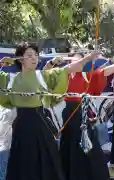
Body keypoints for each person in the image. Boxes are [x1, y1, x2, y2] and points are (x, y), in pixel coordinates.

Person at [0, 42, 99, 180]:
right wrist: (2, 64)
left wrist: (88, 58)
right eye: (29, 55)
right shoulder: (10, 79)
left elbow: (68, 69)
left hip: (40, 124)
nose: (34, 58)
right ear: (20, 58)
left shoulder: (42, 76)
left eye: (36, 55)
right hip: (21, 126)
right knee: (23, 161)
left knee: (47, 160)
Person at [58, 52, 114, 180]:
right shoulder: (65, 75)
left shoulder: (86, 76)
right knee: (71, 143)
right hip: (70, 113)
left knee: (89, 142)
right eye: (76, 61)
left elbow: (104, 72)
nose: (79, 64)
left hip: (84, 112)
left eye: (81, 61)